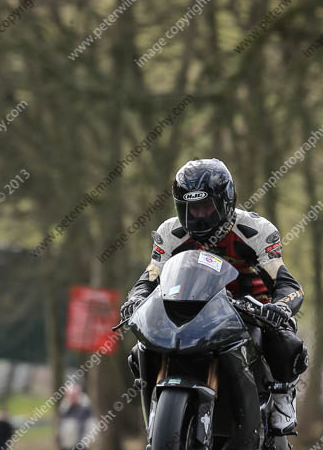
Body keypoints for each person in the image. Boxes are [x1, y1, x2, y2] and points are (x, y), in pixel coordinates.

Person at [120, 158, 308, 435]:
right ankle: (153, 395)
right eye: (191, 208)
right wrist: (135, 300)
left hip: (248, 307)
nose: (199, 216)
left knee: (284, 337)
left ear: (226, 201)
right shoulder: (170, 233)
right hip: (193, 305)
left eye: (206, 206)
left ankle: (282, 395)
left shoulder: (255, 231)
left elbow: (287, 284)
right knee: (142, 344)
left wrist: (279, 307)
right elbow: (149, 277)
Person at [57, 383, 96, 450]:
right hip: (66, 445)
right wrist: (59, 438)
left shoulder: (85, 408)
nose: (71, 398)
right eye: (69, 396)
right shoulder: (64, 407)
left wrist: (86, 441)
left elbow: (91, 425)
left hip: (79, 446)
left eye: (73, 395)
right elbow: (60, 424)